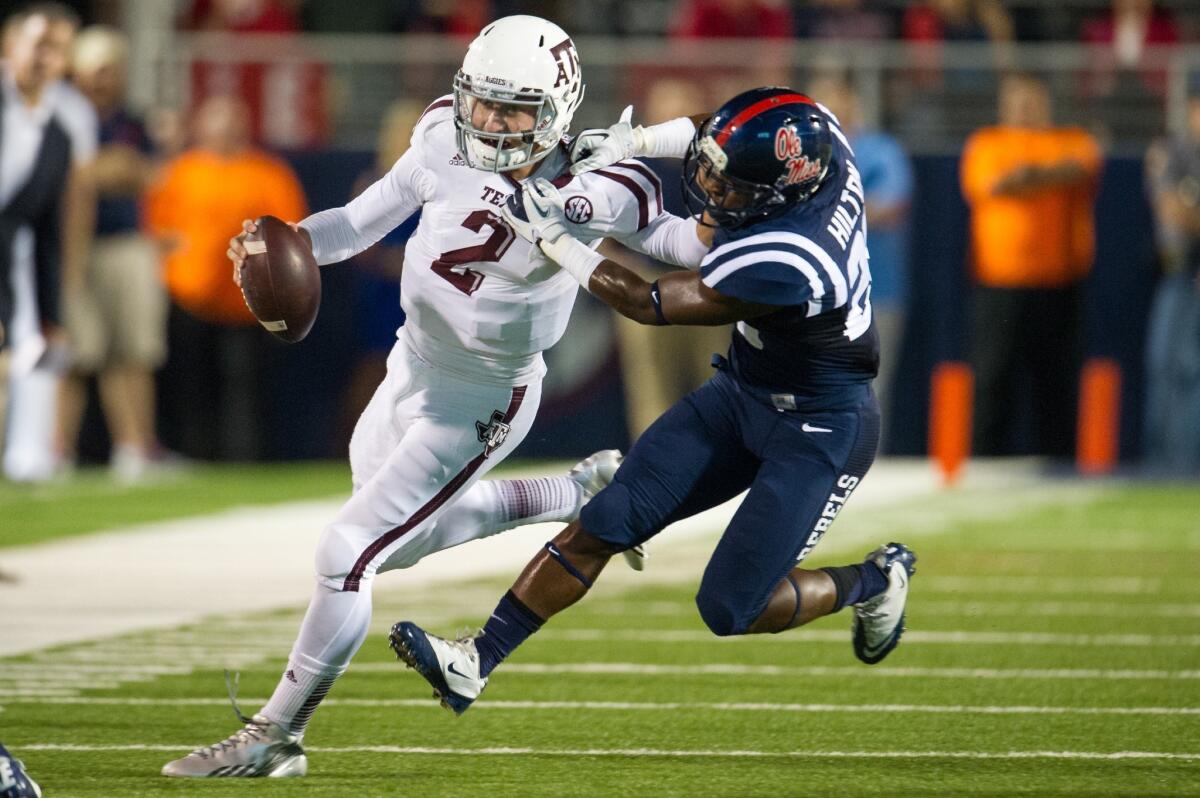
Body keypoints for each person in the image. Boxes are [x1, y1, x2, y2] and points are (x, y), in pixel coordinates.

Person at [161, 15, 712, 778]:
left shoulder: (603, 185)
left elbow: (691, 247)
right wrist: (284, 242)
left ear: (560, 106)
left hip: (484, 395)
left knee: (346, 551)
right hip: (410, 364)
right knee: (398, 540)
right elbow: (356, 225)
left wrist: (740, 207)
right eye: (480, 101)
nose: (488, 122)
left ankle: (273, 735)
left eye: (512, 109)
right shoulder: (439, 136)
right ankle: (574, 491)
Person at [390, 87, 917, 716]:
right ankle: (475, 660)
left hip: (820, 427)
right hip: (742, 393)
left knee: (732, 605)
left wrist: (557, 241)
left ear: (781, 194)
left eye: (735, 190)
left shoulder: (792, 258)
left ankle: (874, 580)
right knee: (610, 517)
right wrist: (637, 141)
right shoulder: (817, 142)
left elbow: (650, 303)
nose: (716, 194)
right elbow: (719, 131)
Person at [144, 94, 308, 461]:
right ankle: (192, 455)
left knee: (245, 388)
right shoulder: (181, 171)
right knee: (191, 387)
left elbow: (290, 231)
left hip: (248, 302)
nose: (226, 127)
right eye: (217, 118)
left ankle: (243, 459)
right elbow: (156, 229)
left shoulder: (268, 172)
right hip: (189, 297)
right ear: (200, 125)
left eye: (234, 118)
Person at [960, 73, 1102, 458]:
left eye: (1031, 100)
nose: (1025, 108)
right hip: (1000, 282)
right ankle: (987, 463)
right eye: (1017, 101)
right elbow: (995, 185)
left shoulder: (1069, 139)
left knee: (1055, 381)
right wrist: (1047, 176)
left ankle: (1059, 463)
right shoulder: (987, 143)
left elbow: (1083, 166)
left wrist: (1029, 176)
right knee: (994, 379)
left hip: (1058, 282)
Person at [57, 25, 168, 481]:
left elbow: (150, 174)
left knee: (134, 352)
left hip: (126, 243)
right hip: (73, 246)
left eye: (111, 71)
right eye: (95, 71)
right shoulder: (60, 116)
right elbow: (74, 177)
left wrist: (105, 170)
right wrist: (105, 169)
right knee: (75, 357)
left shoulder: (131, 121)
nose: (104, 80)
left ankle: (135, 448)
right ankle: (54, 451)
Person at [0, 2, 97, 483]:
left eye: (58, 50)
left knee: (27, 348)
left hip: (14, 249)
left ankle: (27, 457)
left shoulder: (65, 122)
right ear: (9, 46)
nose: (46, 59)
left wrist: (57, 299)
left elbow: (52, 217)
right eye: (39, 45)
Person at [812, 75, 913, 450]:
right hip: (817, 292)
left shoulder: (880, 149)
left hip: (877, 288)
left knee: (872, 383)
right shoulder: (806, 156)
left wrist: (821, 212)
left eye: (841, 102)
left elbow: (893, 205)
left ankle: (867, 460)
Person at [1142, 92, 1200, 474]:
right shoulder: (1172, 152)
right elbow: (1174, 209)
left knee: (1192, 370)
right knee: (1167, 364)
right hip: (1179, 273)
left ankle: (1188, 462)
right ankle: (1163, 463)